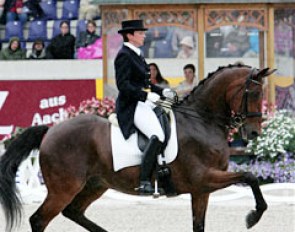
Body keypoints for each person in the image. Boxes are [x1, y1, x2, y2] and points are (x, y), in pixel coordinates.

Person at [114, 19, 175, 195]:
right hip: (132, 105)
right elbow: (123, 86)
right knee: (157, 135)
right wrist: (146, 95)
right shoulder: (124, 55)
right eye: (140, 33)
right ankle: (144, 181)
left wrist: (164, 92)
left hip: (143, 102)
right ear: (130, 35)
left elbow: (145, 83)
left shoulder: (137, 53)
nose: (144, 35)